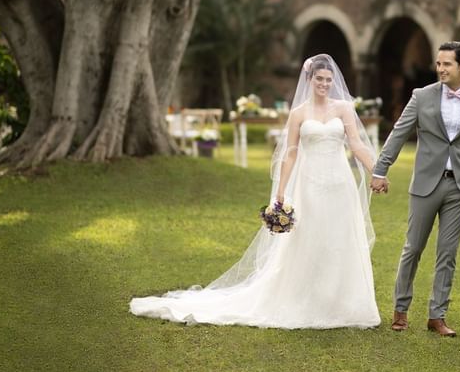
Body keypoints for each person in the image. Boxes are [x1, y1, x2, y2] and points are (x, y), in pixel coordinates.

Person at [130, 55, 380, 329]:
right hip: (309, 185)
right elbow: (291, 153)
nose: (324, 84)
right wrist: (281, 192)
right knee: (310, 240)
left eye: (328, 80)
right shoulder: (299, 114)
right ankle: (307, 301)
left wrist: (375, 172)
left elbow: (356, 145)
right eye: (319, 79)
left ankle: (341, 304)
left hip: (339, 184)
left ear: (334, 82)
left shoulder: (343, 108)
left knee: (339, 239)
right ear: (309, 80)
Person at [370, 41, 460, 337]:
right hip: (426, 183)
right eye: (438, 63)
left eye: (447, 64)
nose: (440, 69)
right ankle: (400, 310)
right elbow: (399, 132)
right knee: (413, 248)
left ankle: (437, 316)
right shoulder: (421, 96)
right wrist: (380, 169)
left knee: (447, 254)